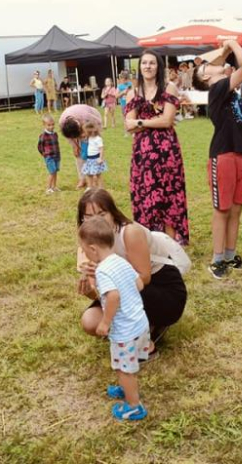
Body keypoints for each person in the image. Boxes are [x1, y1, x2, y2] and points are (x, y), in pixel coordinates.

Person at [77, 189, 187, 347]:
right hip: (127, 291)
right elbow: (101, 294)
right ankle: (136, 329)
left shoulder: (130, 232)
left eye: (101, 214)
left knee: (121, 300)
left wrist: (110, 281)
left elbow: (144, 278)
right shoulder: (87, 241)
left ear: (113, 213)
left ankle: (150, 329)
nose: (96, 222)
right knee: (90, 321)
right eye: (89, 217)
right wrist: (90, 291)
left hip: (161, 290)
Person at [191, 40, 242, 279]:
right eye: (206, 67)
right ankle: (217, 260)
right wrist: (232, 44)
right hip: (223, 156)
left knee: (236, 209)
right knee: (222, 209)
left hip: (240, 155)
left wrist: (224, 51)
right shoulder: (217, 90)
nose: (212, 64)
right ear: (206, 78)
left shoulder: (230, 90)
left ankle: (230, 256)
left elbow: (218, 61)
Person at [79, 216, 149, 421]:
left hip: (125, 331)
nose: (85, 254)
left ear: (93, 249)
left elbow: (113, 296)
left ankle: (134, 406)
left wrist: (105, 322)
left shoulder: (102, 270)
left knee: (123, 368)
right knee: (128, 363)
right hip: (140, 323)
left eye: (84, 250)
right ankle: (126, 389)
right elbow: (139, 285)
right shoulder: (121, 261)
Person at [124, 50, 189, 245]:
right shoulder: (133, 92)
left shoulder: (169, 88)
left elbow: (168, 120)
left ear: (158, 66)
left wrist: (141, 122)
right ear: (139, 67)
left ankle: (171, 242)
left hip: (166, 151)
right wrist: (154, 120)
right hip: (142, 153)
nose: (148, 66)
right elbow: (128, 124)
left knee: (168, 194)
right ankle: (150, 241)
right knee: (146, 195)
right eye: (144, 63)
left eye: (152, 63)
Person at [59, 103, 102, 190]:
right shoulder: (62, 122)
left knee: (93, 153)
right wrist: (74, 146)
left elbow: (98, 123)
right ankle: (82, 179)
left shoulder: (87, 116)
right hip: (77, 123)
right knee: (78, 154)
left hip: (93, 120)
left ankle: (95, 177)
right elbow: (68, 136)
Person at [37, 114, 61, 194]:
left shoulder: (55, 134)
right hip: (49, 157)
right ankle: (48, 188)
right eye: (49, 125)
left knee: (55, 171)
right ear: (44, 125)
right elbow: (40, 147)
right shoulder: (43, 136)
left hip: (56, 156)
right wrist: (45, 154)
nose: (51, 127)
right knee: (52, 171)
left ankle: (54, 186)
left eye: (53, 124)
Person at [81, 121, 107, 189]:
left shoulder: (98, 139)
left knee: (98, 175)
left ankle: (101, 187)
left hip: (96, 159)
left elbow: (101, 149)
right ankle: (90, 187)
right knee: (89, 174)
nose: (84, 133)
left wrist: (100, 158)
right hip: (89, 159)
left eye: (85, 131)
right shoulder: (89, 138)